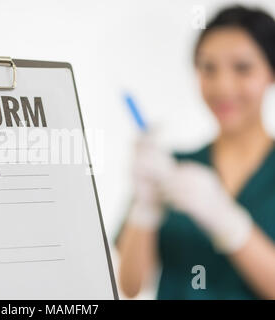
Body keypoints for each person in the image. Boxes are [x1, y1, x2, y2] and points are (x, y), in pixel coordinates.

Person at [115, 5, 275, 299]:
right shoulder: (174, 167)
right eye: (208, 68)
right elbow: (130, 285)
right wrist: (145, 206)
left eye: (242, 68)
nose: (223, 85)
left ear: (271, 73)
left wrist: (232, 225)